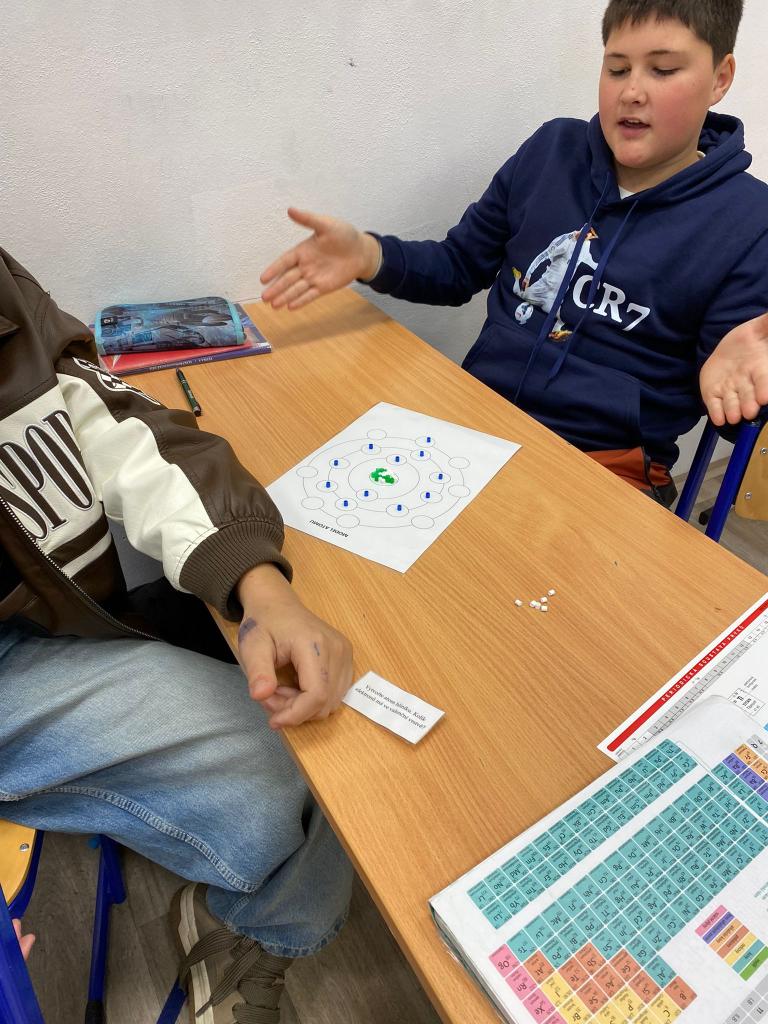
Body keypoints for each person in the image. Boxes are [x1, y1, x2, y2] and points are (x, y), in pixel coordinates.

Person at [0, 246, 354, 1023]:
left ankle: (252, 917)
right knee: (307, 776)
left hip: (47, 627)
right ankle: (256, 930)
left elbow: (117, 424)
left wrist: (257, 581)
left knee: (334, 729)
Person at [261, 0, 768, 507]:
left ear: (720, 78)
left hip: (605, 472)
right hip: (476, 418)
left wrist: (747, 390)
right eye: (617, 69)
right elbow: (458, 266)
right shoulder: (552, 151)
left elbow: (738, 405)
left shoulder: (750, 221)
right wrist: (370, 255)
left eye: (663, 70)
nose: (631, 92)